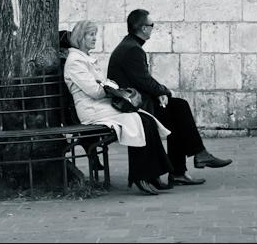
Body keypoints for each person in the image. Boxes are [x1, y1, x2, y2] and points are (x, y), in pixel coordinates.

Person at [107, 9, 233, 187]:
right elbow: (144, 81)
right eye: (152, 25)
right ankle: (193, 159)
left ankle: (187, 166)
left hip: (137, 102)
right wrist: (164, 92)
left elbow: (142, 80)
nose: (153, 28)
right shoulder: (132, 50)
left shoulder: (129, 45)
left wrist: (160, 93)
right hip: (133, 107)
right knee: (178, 109)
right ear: (143, 28)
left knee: (178, 109)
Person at [63, 20, 174, 195]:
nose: (94, 38)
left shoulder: (85, 59)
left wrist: (109, 86)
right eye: (91, 35)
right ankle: (141, 176)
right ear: (80, 37)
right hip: (91, 110)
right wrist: (110, 88)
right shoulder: (75, 62)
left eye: (95, 35)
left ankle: (153, 175)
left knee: (147, 120)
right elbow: (95, 91)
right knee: (138, 120)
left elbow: (103, 84)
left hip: (101, 106)